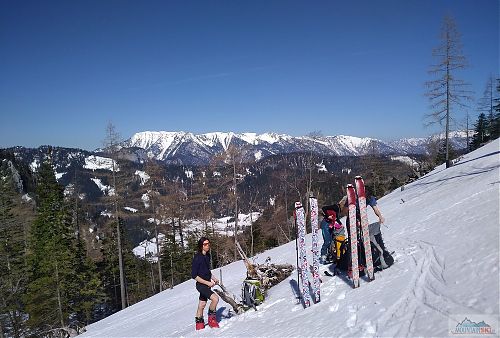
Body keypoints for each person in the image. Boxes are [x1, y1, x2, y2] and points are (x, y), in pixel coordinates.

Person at [192, 237, 219, 330]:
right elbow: (194, 275)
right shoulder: (197, 258)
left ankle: (199, 323)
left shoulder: (207, 256)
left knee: (202, 304)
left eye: (208, 244)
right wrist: (207, 282)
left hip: (207, 284)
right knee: (215, 299)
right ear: (201, 246)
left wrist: (214, 278)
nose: (207, 246)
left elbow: (207, 271)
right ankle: (212, 320)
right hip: (201, 285)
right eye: (205, 244)